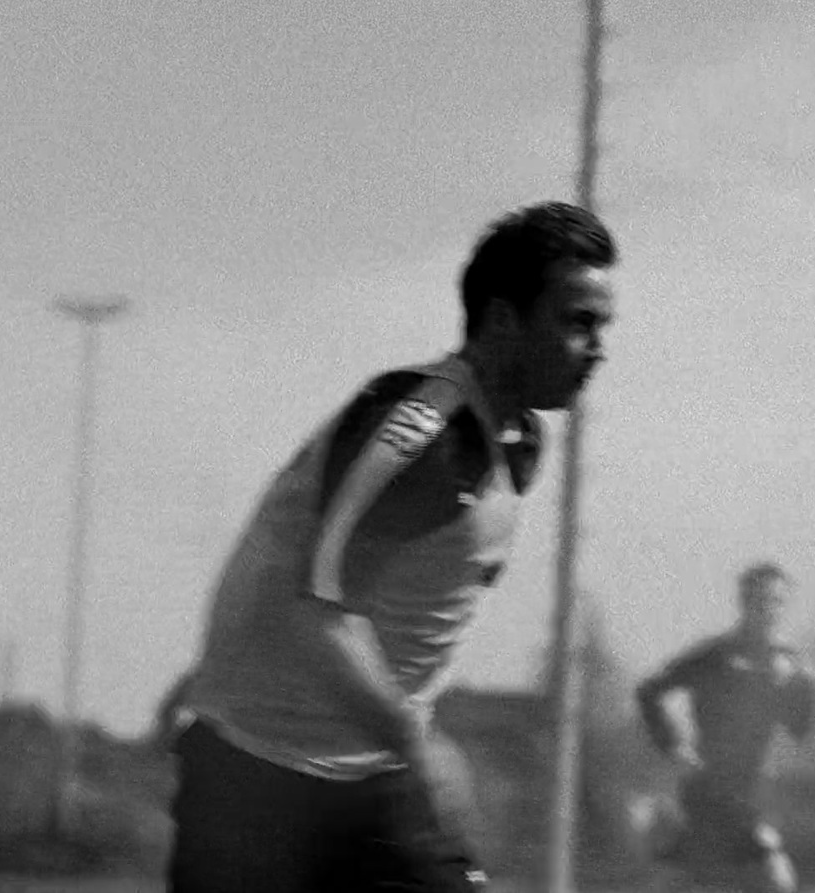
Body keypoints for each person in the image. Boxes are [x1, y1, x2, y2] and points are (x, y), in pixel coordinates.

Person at [164, 201, 619, 893]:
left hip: (371, 786)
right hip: (253, 784)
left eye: (602, 325)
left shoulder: (520, 442)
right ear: (502, 319)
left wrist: (404, 744)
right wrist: (416, 738)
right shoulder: (423, 432)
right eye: (576, 321)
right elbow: (314, 606)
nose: (597, 346)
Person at [635, 562, 815, 893]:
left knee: (778, 881)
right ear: (745, 603)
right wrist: (673, 745)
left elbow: (799, 729)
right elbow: (649, 691)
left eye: (777, 602)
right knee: (673, 882)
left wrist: (806, 687)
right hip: (705, 792)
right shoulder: (714, 655)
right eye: (760, 601)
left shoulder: (788, 664)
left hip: (749, 798)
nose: (768, 610)